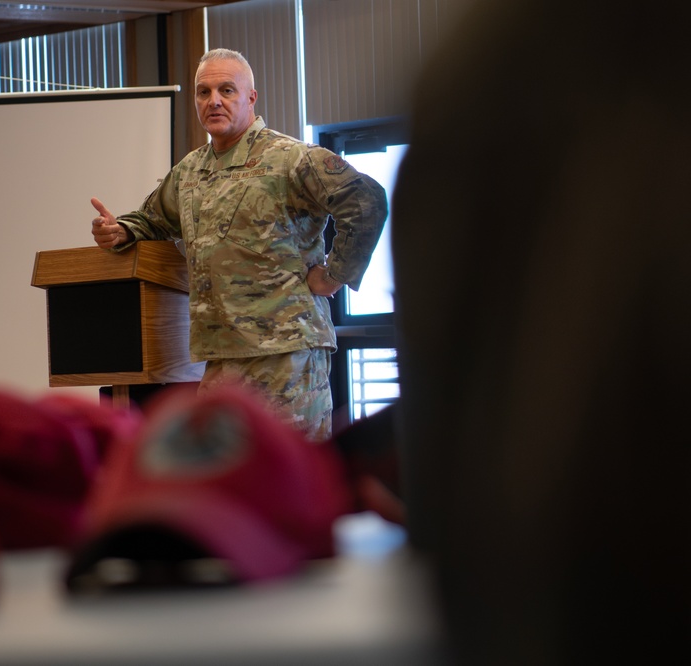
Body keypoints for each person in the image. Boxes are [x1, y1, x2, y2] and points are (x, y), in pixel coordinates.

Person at [390, 0, 691, 663]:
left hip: (537, 585)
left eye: (224, 89)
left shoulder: (483, 62)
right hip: (550, 571)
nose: (213, 100)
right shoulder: (489, 67)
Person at [90, 48, 388, 441]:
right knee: (225, 485)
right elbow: (151, 219)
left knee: (288, 480)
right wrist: (121, 231)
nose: (213, 100)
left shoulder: (291, 159)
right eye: (203, 91)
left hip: (286, 354)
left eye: (226, 90)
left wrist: (335, 275)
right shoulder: (190, 172)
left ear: (251, 97)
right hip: (221, 356)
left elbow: (365, 202)